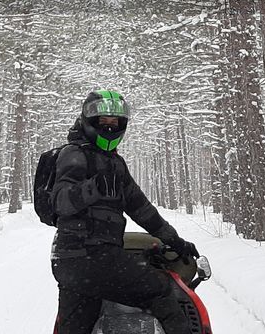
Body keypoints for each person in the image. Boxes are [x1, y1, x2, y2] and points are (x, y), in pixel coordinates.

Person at [50, 89, 199, 334]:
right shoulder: (74, 155)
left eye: (115, 122)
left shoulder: (114, 163)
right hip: (91, 257)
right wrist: (93, 187)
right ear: (89, 121)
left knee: (76, 328)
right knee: (161, 288)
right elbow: (61, 202)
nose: (109, 127)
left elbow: (142, 209)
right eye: (103, 122)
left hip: (72, 264)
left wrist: (176, 241)